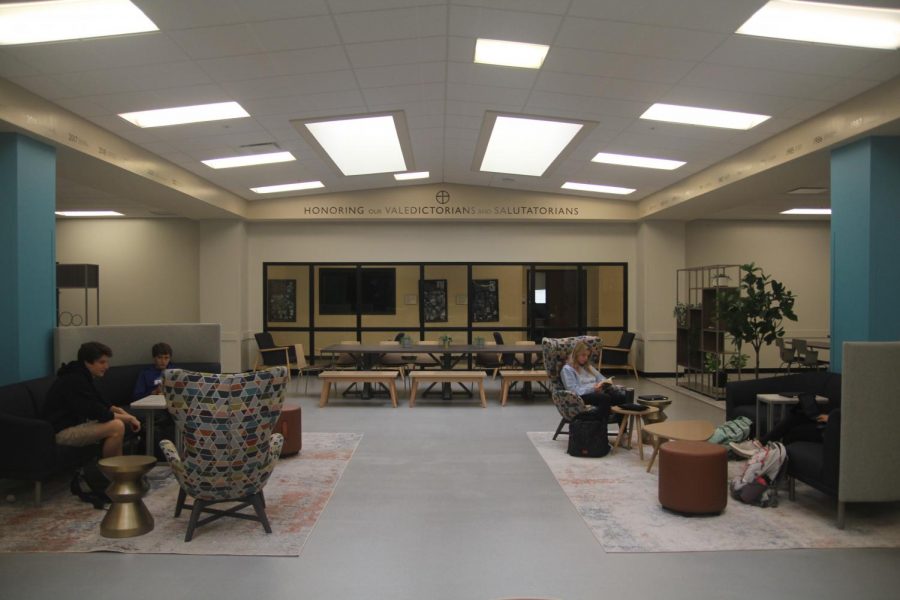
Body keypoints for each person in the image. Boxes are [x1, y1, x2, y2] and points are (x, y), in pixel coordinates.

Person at [41, 341, 141, 458]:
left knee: (118, 423)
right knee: (116, 426)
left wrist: (126, 415)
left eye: (106, 362)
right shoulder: (74, 381)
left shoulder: (81, 375)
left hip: (76, 423)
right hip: (61, 431)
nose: (106, 367)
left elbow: (103, 403)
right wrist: (129, 418)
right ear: (87, 362)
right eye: (102, 362)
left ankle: (118, 468)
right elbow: (97, 411)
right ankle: (112, 472)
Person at [730, 400, 830, 458]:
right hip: (830, 420)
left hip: (831, 428)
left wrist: (832, 417)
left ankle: (762, 447)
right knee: (797, 415)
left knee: (792, 432)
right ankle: (760, 444)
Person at [560, 341, 628, 418]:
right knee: (604, 398)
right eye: (583, 355)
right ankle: (601, 426)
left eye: (587, 356)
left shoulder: (588, 367)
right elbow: (573, 390)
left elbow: (601, 378)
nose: (585, 358)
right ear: (576, 354)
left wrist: (604, 383)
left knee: (621, 397)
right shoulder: (568, 369)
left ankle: (623, 428)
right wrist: (593, 389)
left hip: (596, 391)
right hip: (582, 395)